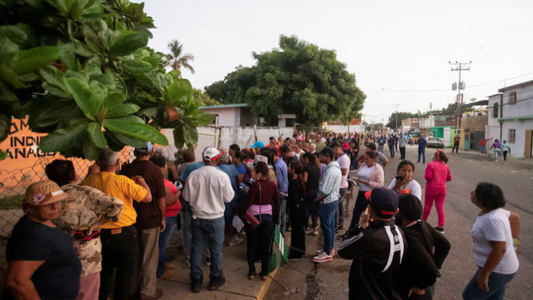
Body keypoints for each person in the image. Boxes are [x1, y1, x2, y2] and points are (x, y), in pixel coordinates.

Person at [45, 160, 124, 300]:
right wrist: (101, 221)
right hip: (87, 257)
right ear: (74, 175)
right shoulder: (87, 192)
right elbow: (116, 204)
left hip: (57, 255)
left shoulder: (47, 197)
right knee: (87, 293)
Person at [83, 147, 152, 300]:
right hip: (124, 234)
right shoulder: (122, 181)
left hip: (98, 234)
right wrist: (141, 180)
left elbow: (82, 192)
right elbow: (147, 197)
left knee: (102, 272)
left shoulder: (89, 180)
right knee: (125, 274)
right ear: (118, 164)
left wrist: (90, 174)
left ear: (98, 163)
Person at [3, 180, 82, 300]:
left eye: (58, 201)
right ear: (29, 207)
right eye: (47, 203)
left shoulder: (41, 223)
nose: (55, 207)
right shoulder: (34, 235)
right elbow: (17, 282)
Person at [338, 188, 406, 300]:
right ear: (396, 211)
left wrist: (360, 226)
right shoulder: (399, 232)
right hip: (389, 292)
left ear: (369, 209)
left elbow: (342, 249)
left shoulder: (369, 237)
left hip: (368, 294)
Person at [183, 147, 235, 293]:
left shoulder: (193, 175)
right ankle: (215, 278)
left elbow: (186, 197)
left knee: (196, 249)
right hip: (216, 218)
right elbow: (229, 198)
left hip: (197, 217)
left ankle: (196, 281)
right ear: (217, 160)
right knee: (216, 250)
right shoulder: (222, 176)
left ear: (203, 158)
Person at [120, 142, 166, 300]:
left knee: (134, 256)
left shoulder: (125, 169)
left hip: (129, 219)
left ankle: (131, 289)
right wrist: (163, 217)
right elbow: (161, 198)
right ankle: (147, 292)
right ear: (151, 151)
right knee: (150, 257)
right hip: (150, 219)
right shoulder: (155, 170)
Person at [463, 183, 521, 300]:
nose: (471, 193)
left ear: (483, 199)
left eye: (475, 192)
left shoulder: (492, 219)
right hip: (499, 269)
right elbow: (515, 218)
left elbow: (499, 249)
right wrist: (515, 244)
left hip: (497, 270)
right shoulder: (495, 212)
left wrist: (484, 274)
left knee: (470, 296)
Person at [396, 194, 451, 300]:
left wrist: (420, 285)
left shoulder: (408, 236)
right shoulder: (422, 224)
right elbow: (444, 245)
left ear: (400, 213)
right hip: (426, 285)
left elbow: (431, 270)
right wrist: (436, 263)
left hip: (416, 291)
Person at [233, 162, 279, 280]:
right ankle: (264, 272)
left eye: (253, 171)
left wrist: (236, 209)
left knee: (252, 244)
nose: (251, 173)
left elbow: (248, 203)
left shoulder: (254, 185)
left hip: (253, 219)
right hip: (268, 218)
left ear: (259, 173)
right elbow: (276, 203)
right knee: (266, 245)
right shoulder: (272, 185)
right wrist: (276, 218)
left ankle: (252, 271)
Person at [148, 156, 182, 280]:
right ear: (162, 167)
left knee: (160, 242)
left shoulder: (151, 179)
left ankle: (162, 263)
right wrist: (178, 193)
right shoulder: (163, 183)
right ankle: (161, 269)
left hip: (164, 215)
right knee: (162, 243)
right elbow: (169, 201)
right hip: (167, 215)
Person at [313, 147, 342, 263]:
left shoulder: (331, 171)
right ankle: (329, 248)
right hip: (332, 200)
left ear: (328, 157)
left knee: (327, 228)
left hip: (328, 201)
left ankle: (328, 253)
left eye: (321, 156)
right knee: (330, 226)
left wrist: (318, 195)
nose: (320, 158)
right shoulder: (333, 168)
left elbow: (324, 190)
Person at [348, 151, 385, 232]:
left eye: (367, 159)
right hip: (361, 192)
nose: (365, 161)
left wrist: (365, 182)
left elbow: (380, 184)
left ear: (373, 159)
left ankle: (365, 232)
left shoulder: (378, 168)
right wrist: (356, 181)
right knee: (356, 213)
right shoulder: (363, 165)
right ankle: (351, 231)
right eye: (364, 159)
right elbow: (360, 175)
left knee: (367, 215)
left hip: (370, 194)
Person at [217, 151, 245, 247]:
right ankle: (230, 237)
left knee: (220, 217)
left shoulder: (217, 169)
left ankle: (219, 238)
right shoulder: (232, 168)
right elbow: (238, 179)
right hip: (232, 196)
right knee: (230, 218)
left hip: (220, 198)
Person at [422, 150, 452, 234]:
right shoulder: (445, 166)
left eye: (433, 155)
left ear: (436, 157)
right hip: (442, 189)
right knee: (440, 207)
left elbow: (428, 177)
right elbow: (449, 178)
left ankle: (423, 223)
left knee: (427, 206)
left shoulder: (430, 165)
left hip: (431, 188)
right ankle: (441, 227)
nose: (432, 156)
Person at [287, 161, 307, 259]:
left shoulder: (294, 182)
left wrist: (286, 196)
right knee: (299, 230)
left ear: (293, 170)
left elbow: (293, 198)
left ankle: (296, 252)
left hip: (296, 209)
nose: (288, 168)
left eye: (289, 167)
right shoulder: (298, 180)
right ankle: (300, 250)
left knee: (296, 231)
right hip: (301, 208)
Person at [332, 143, 350, 232]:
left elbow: (344, 171)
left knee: (338, 205)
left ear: (337, 149)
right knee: (339, 205)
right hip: (339, 184)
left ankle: (338, 224)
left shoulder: (344, 158)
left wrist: (333, 171)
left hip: (341, 185)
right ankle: (338, 223)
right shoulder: (340, 157)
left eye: (333, 150)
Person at [272, 148, 289, 235]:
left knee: (279, 213)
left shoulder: (277, 166)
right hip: (285, 190)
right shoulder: (282, 162)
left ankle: (279, 233)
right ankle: (282, 231)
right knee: (282, 212)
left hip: (281, 192)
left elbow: (278, 181)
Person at [303, 152, 321, 236]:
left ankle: (306, 227)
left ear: (307, 159)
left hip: (309, 191)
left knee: (307, 209)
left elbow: (305, 180)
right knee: (314, 210)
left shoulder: (306, 168)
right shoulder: (317, 168)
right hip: (316, 190)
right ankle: (315, 227)